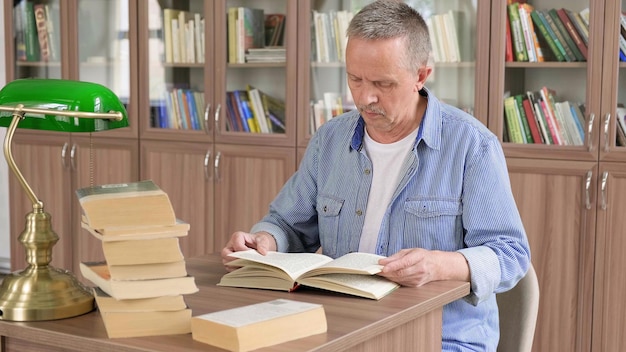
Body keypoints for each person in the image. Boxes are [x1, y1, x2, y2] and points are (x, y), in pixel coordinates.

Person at [221, 1, 531, 350]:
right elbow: (289, 224)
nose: (365, 97)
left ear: (420, 76)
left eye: (382, 83)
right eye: (355, 79)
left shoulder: (472, 146)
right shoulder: (330, 140)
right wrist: (264, 240)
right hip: (343, 327)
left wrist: (441, 264)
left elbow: (510, 254)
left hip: (441, 338)